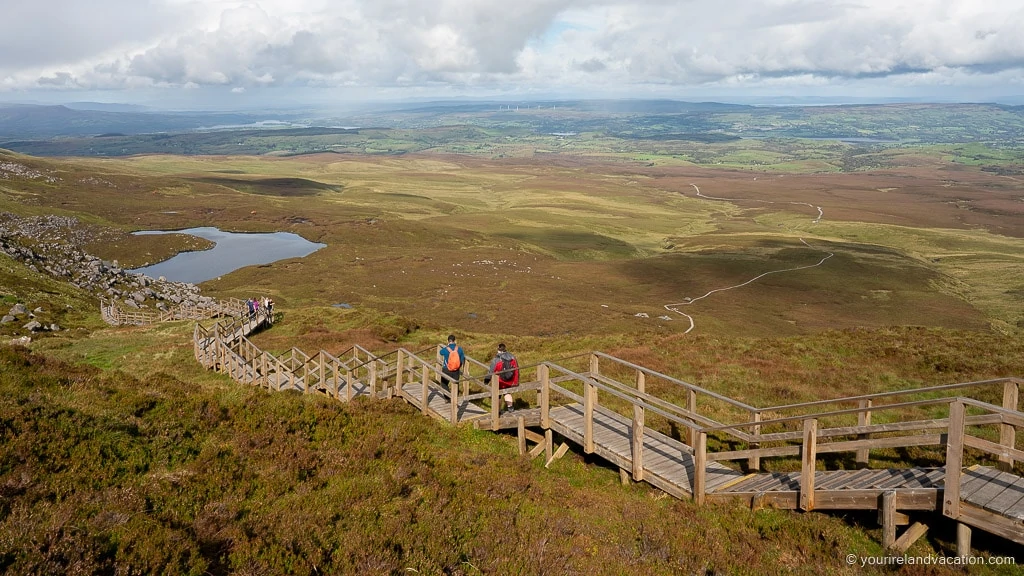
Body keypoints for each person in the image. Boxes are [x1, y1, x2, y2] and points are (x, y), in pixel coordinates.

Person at [484, 343, 519, 414]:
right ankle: (510, 408)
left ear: (498, 349)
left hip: (499, 381)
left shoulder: (496, 359)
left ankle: (497, 411)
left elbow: (491, 371)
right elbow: (516, 369)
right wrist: (516, 380)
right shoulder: (512, 357)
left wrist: (487, 379)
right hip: (510, 380)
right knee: (507, 393)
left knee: (498, 395)